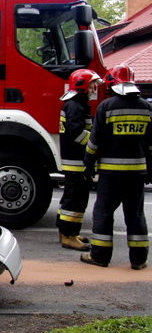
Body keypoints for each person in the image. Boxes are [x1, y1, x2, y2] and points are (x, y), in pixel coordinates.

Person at [81, 64, 150, 270]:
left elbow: (95, 141)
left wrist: (88, 163)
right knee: (135, 215)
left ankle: (100, 256)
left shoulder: (106, 107)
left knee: (103, 213)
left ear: (112, 83)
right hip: (137, 174)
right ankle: (138, 260)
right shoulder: (147, 108)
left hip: (111, 174)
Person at [57, 68, 102, 251]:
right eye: (92, 84)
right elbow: (75, 133)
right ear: (82, 85)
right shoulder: (76, 105)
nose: (94, 88)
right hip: (77, 162)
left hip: (73, 161)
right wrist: (95, 142)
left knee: (70, 197)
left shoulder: (74, 103)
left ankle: (66, 233)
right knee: (75, 199)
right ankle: (69, 236)